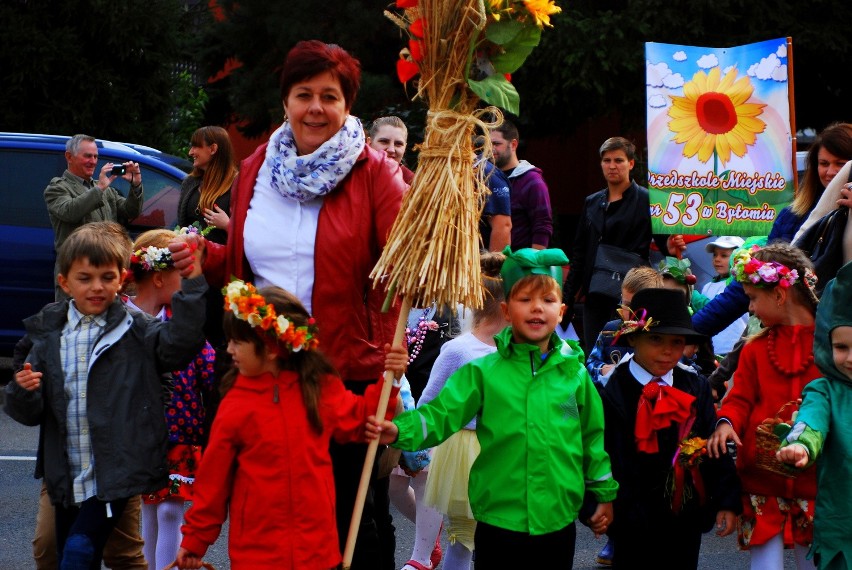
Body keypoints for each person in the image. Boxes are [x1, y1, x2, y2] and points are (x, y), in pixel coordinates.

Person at [167, 40, 407, 569]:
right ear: (286, 102)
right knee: (266, 503)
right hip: (262, 366)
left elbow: (408, 263)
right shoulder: (256, 167)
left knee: (349, 525)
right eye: (304, 95)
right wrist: (203, 254)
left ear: (347, 105)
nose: (316, 108)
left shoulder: (375, 173)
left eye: (330, 96)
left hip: (341, 371)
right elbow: (244, 260)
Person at [367, 247, 618, 566]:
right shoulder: (483, 372)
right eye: (525, 300)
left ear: (562, 309)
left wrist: (603, 494)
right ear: (506, 309)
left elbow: (592, 439)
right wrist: (398, 429)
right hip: (498, 518)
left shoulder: (575, 373)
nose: (537, 309)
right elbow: (440, 414)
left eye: (547, 300)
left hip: (557, 517)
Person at [4, 220, 207, 569]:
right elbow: (27, 408)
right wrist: (24, 393)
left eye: (107, 278)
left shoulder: (136, 328)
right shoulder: (48, 330)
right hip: (65, 471)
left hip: (115, 470)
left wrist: (192, 282)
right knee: (52, 549)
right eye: (85, 278)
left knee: (82, 553)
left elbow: (179, 346)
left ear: (122, 278)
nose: (96, 287)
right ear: (64, 282)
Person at [174, 280, 405, 569]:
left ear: (270, 347)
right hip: (257, 553)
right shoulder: (234, 405)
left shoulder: (319, 388)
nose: (229, 349)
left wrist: (390, 379)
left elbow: (362, 422)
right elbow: (213, 483)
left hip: (317, 548)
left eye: (237, 341)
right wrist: (195, 541)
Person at [594, 287, 740, 569]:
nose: (667, 350)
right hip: (631, 517)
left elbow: (713, 447)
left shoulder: (694, 385)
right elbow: (601, 451)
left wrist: (727, 500)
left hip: (685, 517)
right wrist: (599, 504)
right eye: (656, 339)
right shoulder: (616, 389)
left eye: (676, 342)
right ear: (634, 338)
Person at [707, 243, 821, 570]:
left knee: (814, 561)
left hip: (815, 481)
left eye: (753, 299)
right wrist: (726, 421)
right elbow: (739, 397)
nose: (751, 310)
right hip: (760, 482)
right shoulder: (756, 349)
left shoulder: (832, 347)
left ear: (779, 296)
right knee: (764, 565)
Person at [125, 229, 216, 570]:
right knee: (150, 509)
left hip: (183, 429)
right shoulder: (129, 319)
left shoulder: (181, 322)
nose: (184, 280)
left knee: (170, 509)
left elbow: (206, 361)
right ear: (159, 277)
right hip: (150, 434)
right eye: (181, 273)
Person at [411, 251, 508, 570]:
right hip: (481, 450)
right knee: (471, 536)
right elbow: (430, 404)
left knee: (476, 539)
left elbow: (429, 403)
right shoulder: (462, 349)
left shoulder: (513, 350)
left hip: (490, 447)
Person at [565, 136, 684, 353]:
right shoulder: (592, 202)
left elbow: (667, 247)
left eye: (618, 160)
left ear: (630, 163)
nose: (612, 166)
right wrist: (568, 299)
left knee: (630, 353)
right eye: (607, 160)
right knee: (595, 354)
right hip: (596, 295)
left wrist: (672, 247)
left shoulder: (647, 200)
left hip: (633, 295)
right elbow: (579, 254)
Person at [777, 260, 852, 569]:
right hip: (843, 527)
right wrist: (800, 443)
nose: (850, 358)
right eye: (841, 346)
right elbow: (811, 420)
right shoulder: (824, 390)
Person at [44, 134, 144, 300]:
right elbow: (70, 212)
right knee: (74, 322)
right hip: (76, 274)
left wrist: (136, 185)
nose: (93, 161)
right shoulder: (57, 188)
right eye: (87, 156)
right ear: (69, 156)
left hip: (106, 270)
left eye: (96, 156)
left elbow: (130, 211)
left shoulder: (103, 188)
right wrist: (100, 188)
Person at [772, 123, 852, 243]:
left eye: (841, 164)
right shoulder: (791, 215)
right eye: (824, 163)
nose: (830, 172)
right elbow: (769, 261)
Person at [585, 266, 663, 387]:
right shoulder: (610, 330)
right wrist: (602, 369)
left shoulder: (663, 335)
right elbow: (591, 363)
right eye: (626, 304)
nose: (631, 311)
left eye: (638, 306)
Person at [489, 119, 553, 250]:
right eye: (488, 144)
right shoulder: (485, 177)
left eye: (496, 144)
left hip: (518, 265)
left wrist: (534, 262)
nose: (491, 149)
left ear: (513, 145)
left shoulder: (532, 181)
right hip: (484, 262)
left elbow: (542, 225)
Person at [700, 236, 747, 357]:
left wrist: (694, 297)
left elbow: (712, 307)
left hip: (733, 351)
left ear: (739, 259)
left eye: (724, 255)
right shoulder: (707, 286)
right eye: (715, 255)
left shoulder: (741, 285)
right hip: (711, 351)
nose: (717, 259)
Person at [368, 115, 415, 184]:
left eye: (398, 144)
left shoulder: (413, 184)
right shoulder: (352, 173)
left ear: (405, 147)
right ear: (369, 143)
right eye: (384, 141)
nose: (391, 150)